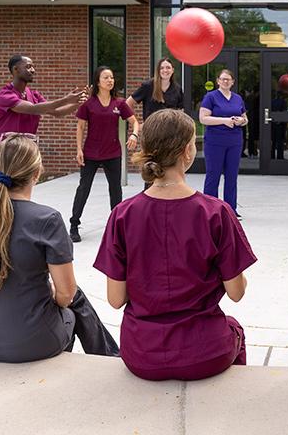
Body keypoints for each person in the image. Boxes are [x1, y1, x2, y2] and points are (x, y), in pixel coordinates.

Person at [94, 109, 256, 380]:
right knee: (234, 328)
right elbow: (236, 292)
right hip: (205, 352)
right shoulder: (216, 212)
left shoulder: (122, 214)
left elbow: (115, 299)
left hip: (141, 353)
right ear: (187, 152)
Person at [0, 134, 119, 362]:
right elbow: (66, 295)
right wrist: (52, 293)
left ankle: (110, 355)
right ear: (36, 173)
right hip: (33, 343)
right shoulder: (47, 219)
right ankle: (110, 357)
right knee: (76, 298)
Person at [0, 55, 86, 203]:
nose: (33, 70)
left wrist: (80, 102)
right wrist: (66, 99)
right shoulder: (5, 95)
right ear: (15, 70)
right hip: (2, 152)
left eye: (33, 66)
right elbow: (33, 109)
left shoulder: (33, 94)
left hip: (22, 152)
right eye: (28, 67)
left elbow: (57, 112)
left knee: (17, 193)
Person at [69, 66, 139, 242]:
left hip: (113, 152)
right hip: (90, 153)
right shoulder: (88, 104)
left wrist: (134, 134)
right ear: (98, 81)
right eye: (106, 77)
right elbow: (80, 126)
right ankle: (74, 224)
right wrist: (78, 149)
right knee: (84, 188)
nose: (110, 80)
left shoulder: (119, 103)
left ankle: (117, 225)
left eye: (112, 77)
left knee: (115, 190)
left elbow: (134, 122)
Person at [199, 69, 248, 215]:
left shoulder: (238, 98)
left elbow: (245, 118)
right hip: (215, 142)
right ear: (218, 81)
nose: (225, 81)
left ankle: (230, 209)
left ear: (233, 82)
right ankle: (210, 209)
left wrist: (242, 121)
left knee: (232, 176)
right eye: (223, 79)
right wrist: (225, 121)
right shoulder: (210, 97)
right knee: (213, 175)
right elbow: (203, 118)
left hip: (234, 142)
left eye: (228, 79)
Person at [127, 58, 185, 123]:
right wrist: (136, 124)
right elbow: (128, 103)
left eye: (168, 68)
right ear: (158, 70)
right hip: (150, 130)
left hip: (171, 130)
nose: (165, 70)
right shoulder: (148, 86)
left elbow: (181, 110)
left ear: (173, 70)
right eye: (162, 68)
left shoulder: (177, 89)